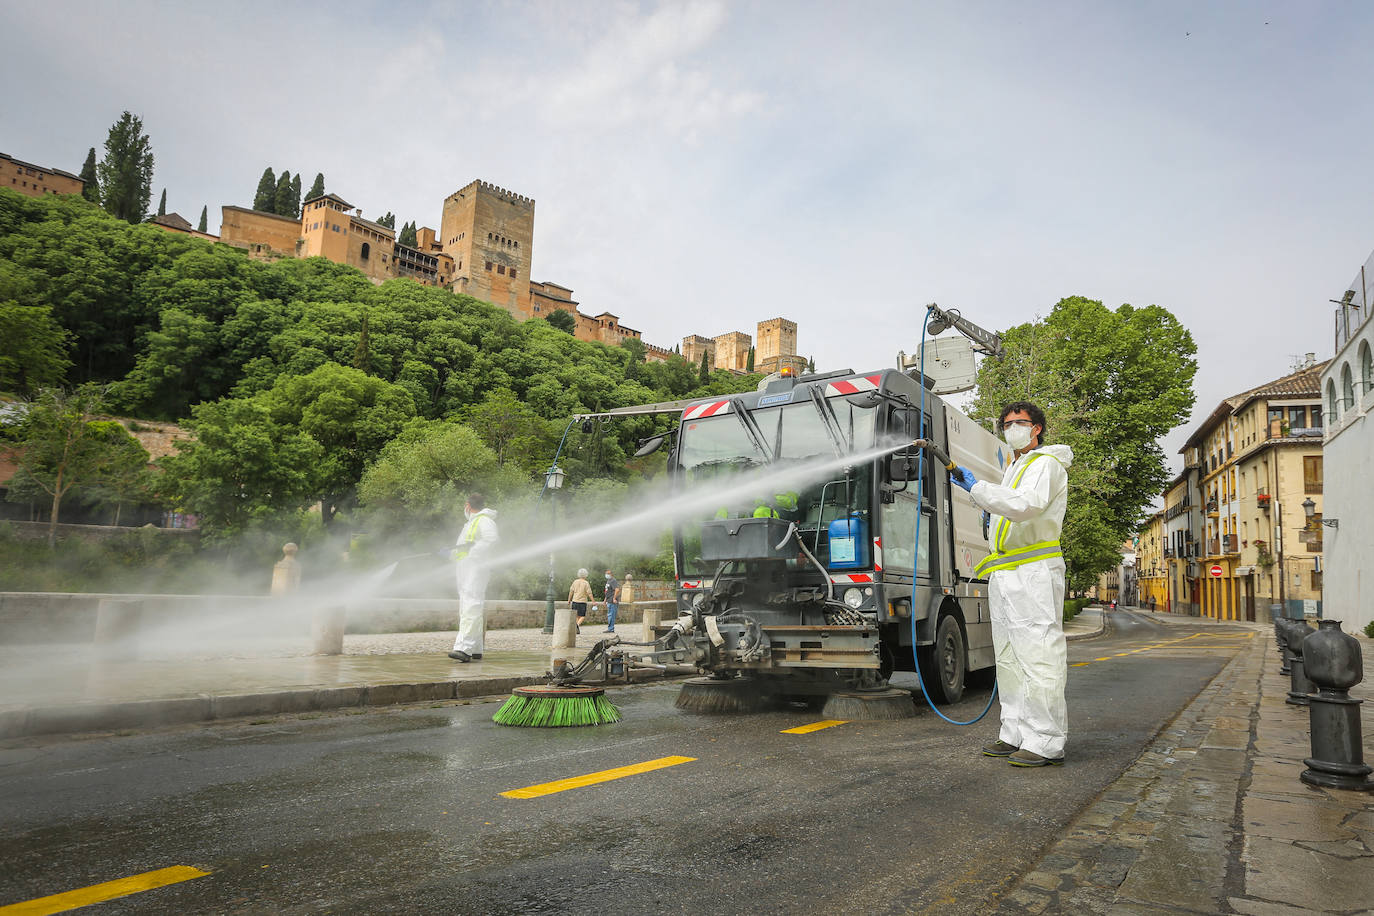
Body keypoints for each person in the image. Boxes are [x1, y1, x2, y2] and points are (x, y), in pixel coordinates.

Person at [951, 401, 1073, 768]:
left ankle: (1046, 741)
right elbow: (1008, 508)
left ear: (1037, 428)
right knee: (1008, 658)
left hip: (1033, 569)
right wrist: (984, 500)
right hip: (1006, 572)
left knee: (1037, 653)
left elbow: (1027, 505)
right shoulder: (1015, 467)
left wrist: (980, 489)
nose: (1011, 429)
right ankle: (1015, 732)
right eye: (1006, 424)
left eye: (1019, 423)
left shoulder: (1046, 464)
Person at [447, 493, 499, 663]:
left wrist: (473, 555)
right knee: (468, 605)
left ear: (467, 505)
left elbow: (491, 540)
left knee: (471, 605)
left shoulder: (484, 521)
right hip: (467, 567)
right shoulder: (471, 523)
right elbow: (463, 546)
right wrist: (452, 553)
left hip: (476, 568)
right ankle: (475, 648)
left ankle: (464, 648)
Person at [568, 568, 593, 633]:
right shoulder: (586, 583)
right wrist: (593, 601)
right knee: (582, 616)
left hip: (574, 601)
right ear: (586, 575)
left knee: (576, 616)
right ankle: (576, 626)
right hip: (582, 601)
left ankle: (575, 629)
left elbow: (571, 591)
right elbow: (589, 593)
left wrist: (569, 600)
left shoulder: (575, 582)